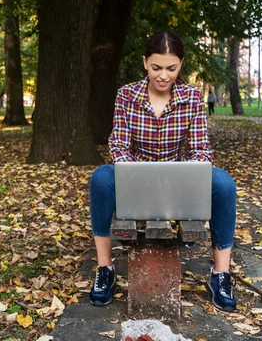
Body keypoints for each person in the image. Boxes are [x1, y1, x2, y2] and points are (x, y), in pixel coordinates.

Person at [88, 30, 237, 312]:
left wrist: (187, 174)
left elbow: (202, 150)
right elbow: (118, 146)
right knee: (101, 177)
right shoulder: (126, 95)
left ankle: (220, 275)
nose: (163, 76)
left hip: (179, 182)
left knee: (224, 184)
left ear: (181, 64)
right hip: (134, 180)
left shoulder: (192, 97)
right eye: (156, 67)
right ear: (145, 62)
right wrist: (138, 176)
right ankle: (105, 270)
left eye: (171, 68)